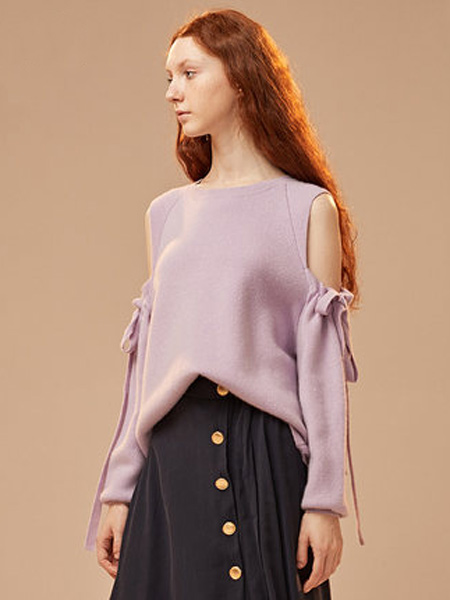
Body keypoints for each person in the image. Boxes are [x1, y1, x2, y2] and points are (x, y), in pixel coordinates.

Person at [84, 8, 365, 599]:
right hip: (172, 460)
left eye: (189, 73)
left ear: (239, 77)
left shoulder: (307, 208)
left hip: (266, 455)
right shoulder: (166, 213)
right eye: (168, 78)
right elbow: (148, 364)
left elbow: (321, 369)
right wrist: (118, 488)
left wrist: (324, 501)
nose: (172, 92)